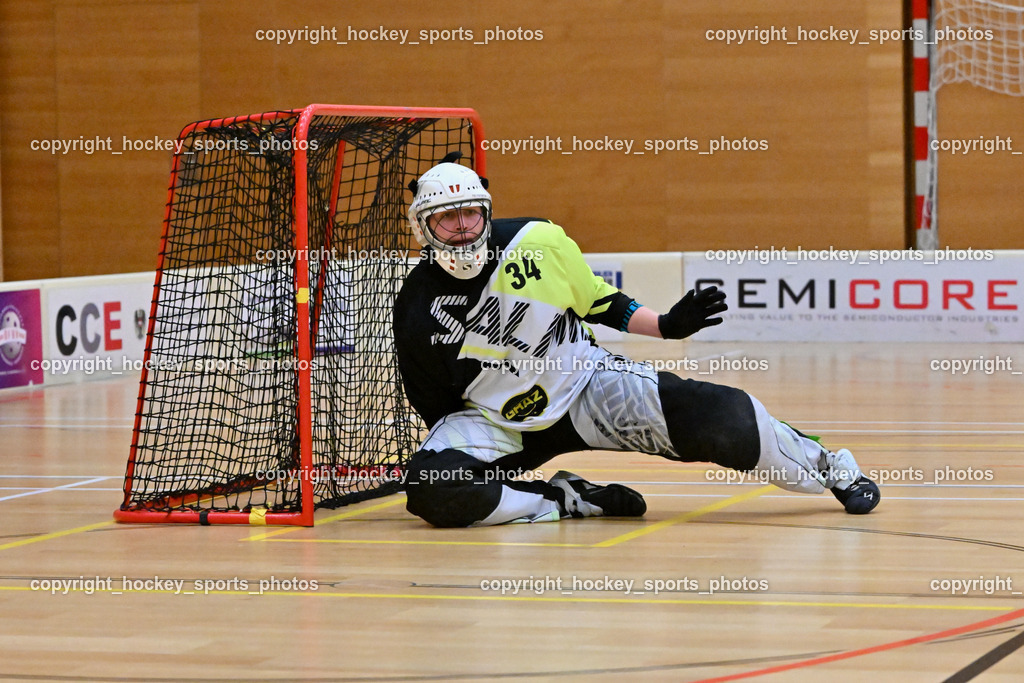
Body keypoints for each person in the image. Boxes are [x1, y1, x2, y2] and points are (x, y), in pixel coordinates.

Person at [393, 153, 880, 528]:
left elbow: (598, 300)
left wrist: (665, 326)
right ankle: (564, 499)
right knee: (431, 486)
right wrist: (471, 462)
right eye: (446, 218)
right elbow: (433, 401)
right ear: (423, 227)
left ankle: (834, 469)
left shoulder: (536, 242)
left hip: (584, 387)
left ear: (486, 212)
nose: (462, 227)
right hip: (497, 421)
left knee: (724, 418)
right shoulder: (414, 304)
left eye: (470, 213)